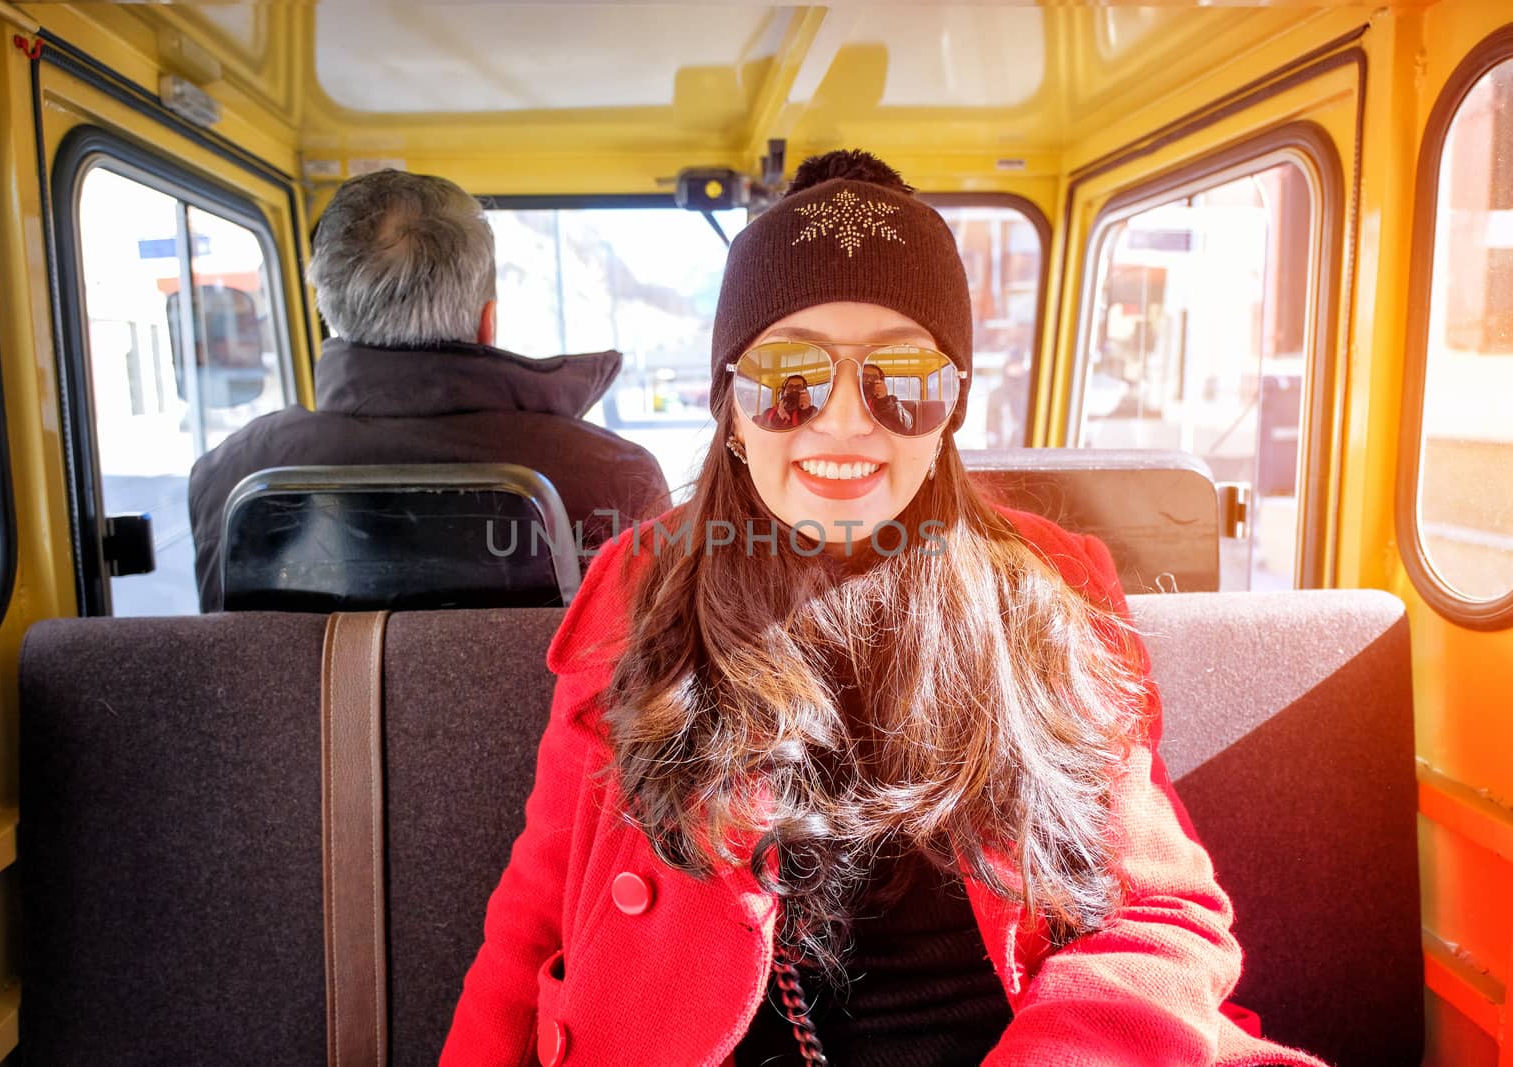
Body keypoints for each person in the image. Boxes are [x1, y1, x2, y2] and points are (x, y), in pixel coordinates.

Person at [440, 151, 1327, 1066]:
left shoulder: (1050, 587)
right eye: (790, 379)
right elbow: (529, 928)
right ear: (732, 412)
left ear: (950, 410)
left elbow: (1162, 910)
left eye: (901, 380)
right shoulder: (642, 590)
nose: (846, 423)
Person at [186, 169, 670, 612]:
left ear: (331, 317)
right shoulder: (617, 477)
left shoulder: (227, 474)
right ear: (488, 322)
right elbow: (654, 677)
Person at [862, 362, 914, 434]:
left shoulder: (890, 401)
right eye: (864, 377)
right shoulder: (851, 399)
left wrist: (884, 400)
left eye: (874, 377)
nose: (869, 380)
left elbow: (905, 425)